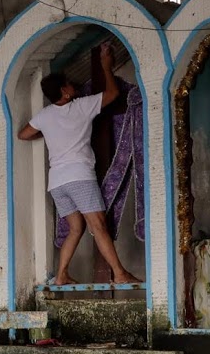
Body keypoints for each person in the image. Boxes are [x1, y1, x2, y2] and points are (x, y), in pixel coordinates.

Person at [17, 42, 140, 286]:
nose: (74, 87)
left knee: (76, 228)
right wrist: (106, 67)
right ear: (65, 92)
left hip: (57, 183)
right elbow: (113, 94)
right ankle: (119, 273)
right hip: (79, 177)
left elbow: (23, 134)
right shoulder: (81, 106)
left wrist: (50, 134)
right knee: (99, 224)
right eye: (70, 85)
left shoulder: (45, 115)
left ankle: (61, 275)